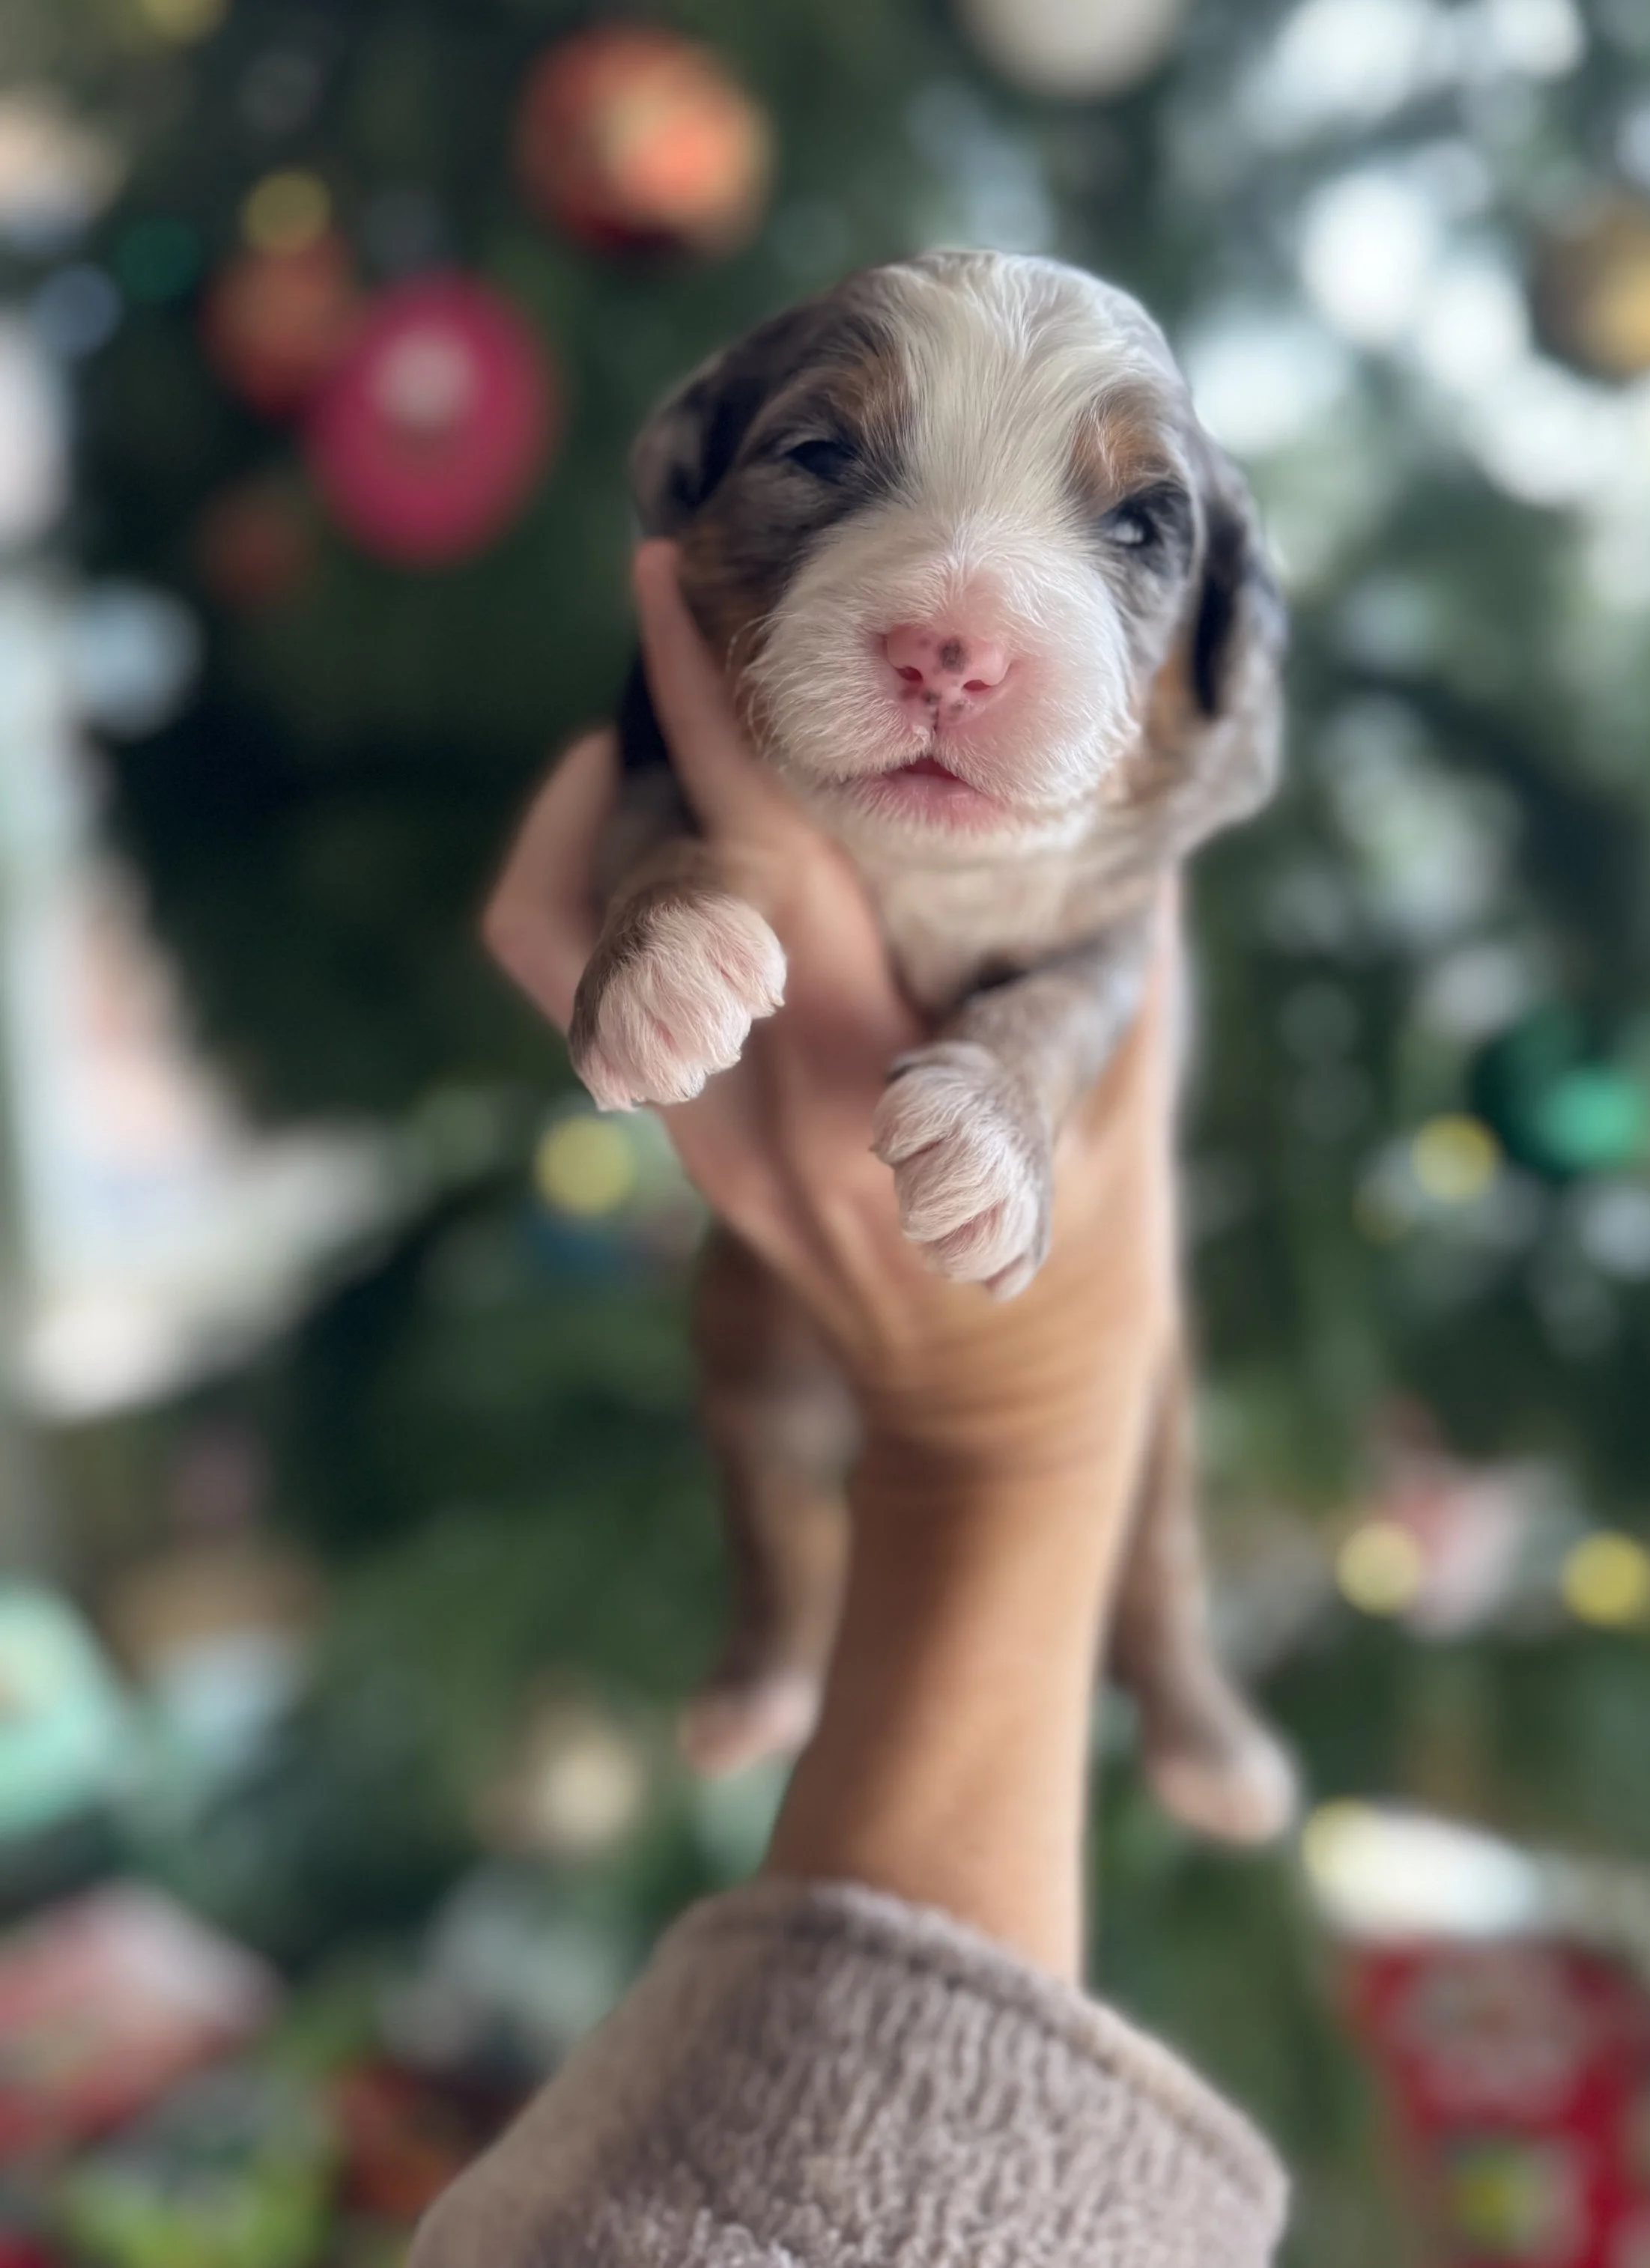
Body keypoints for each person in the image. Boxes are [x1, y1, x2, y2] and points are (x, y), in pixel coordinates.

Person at [412, 543, 1289, 2267]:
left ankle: (1179, 1686)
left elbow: (1089, 979)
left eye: (1118, 544)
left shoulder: (1102, 787)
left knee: (1144, 1418)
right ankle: (770, 1635)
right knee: (754, 1377)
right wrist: (675, 914)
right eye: (827, 465)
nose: (958, 639)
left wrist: (1001, 1116)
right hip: (881, 1291)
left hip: (969, 1180)